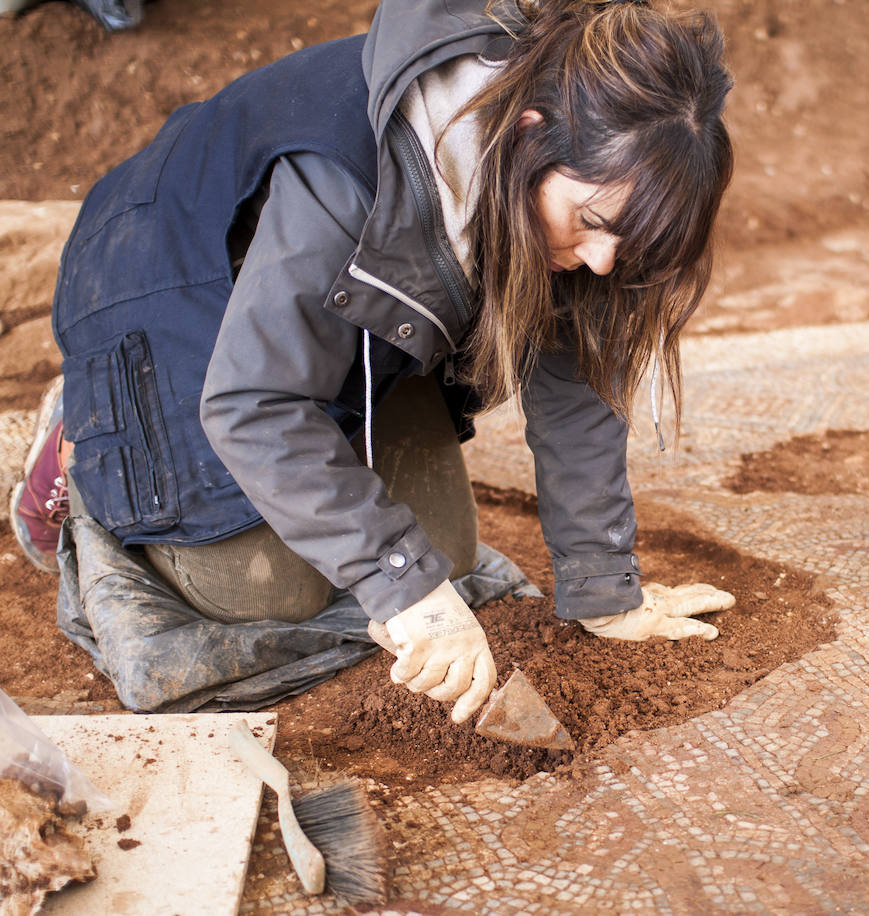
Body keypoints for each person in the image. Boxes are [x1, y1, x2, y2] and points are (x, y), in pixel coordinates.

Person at [10, 0, 736, 723]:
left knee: (446, 554)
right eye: (592, 223)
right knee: (268, 593)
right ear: (530, 134)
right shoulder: (355, 175)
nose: (605, 263)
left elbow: (576, 382)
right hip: (167, 290)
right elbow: (252, 403)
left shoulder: (560, 170)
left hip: (328, 315)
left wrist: (605, 590)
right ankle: (86, 435)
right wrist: (402, 587)